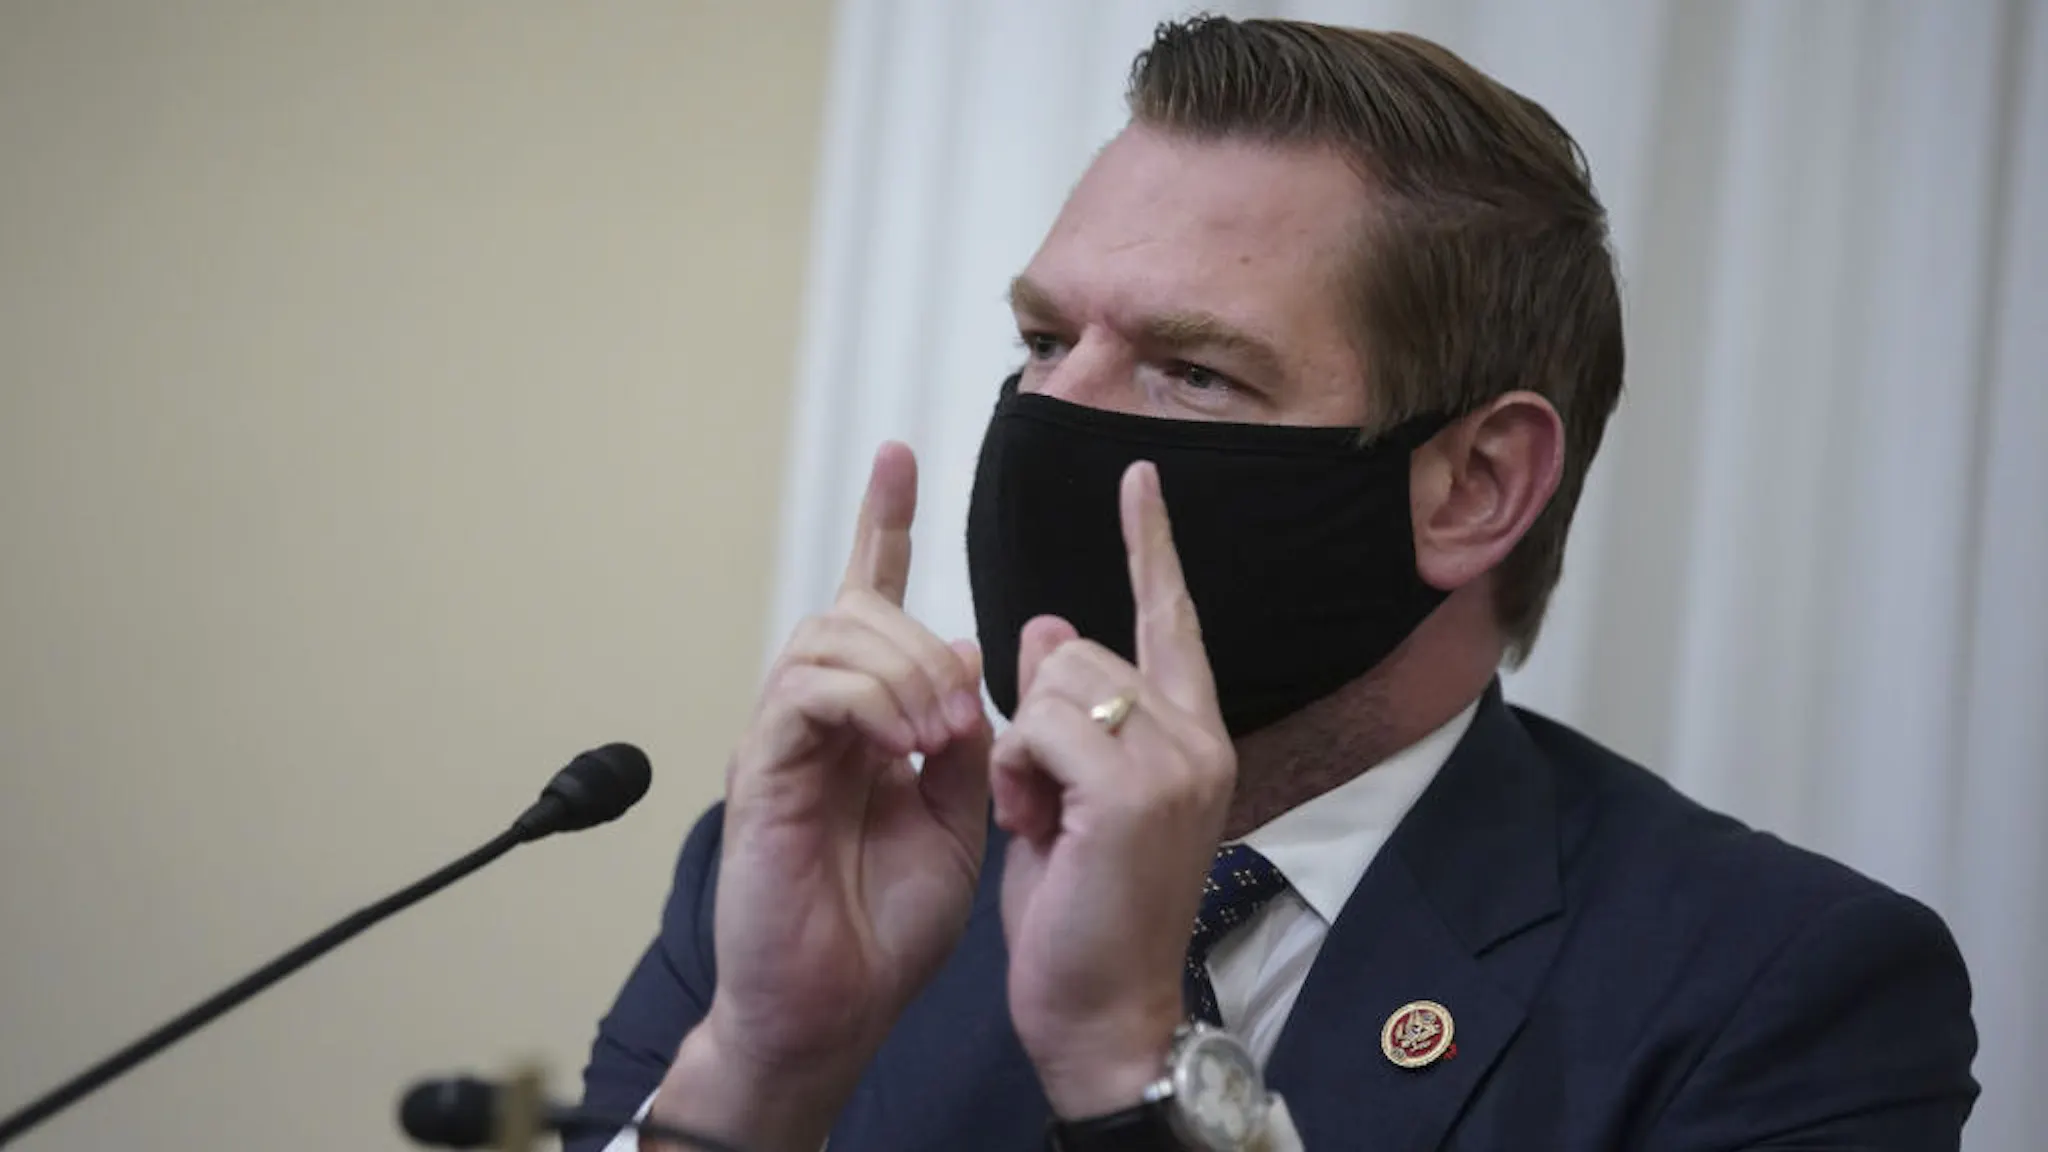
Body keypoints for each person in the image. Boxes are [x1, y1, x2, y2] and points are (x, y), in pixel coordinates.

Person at [572, 16, 1977, 1152]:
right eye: (1045, 339)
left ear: (1474, 484)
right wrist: (760, 1071)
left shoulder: (1774, 996)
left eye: (1194, 370)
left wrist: (1137, 1072)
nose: (1057, 418)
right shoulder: (830, 888)